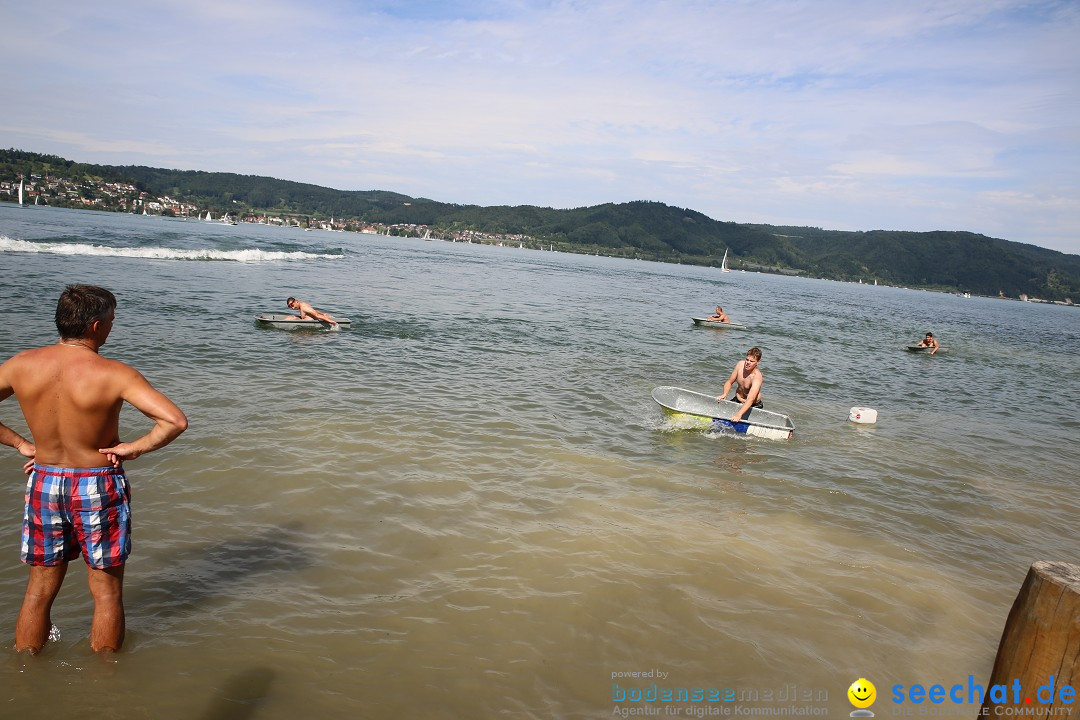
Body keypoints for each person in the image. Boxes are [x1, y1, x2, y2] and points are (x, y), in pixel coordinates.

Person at [0, 285, 188, 654]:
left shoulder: (21, 364)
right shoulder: (114, 373)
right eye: (113, 321)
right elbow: (174, 421)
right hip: (97, 484)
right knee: (106, 593)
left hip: (45, 480)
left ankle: (27, 672)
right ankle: (105, 687)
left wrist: (22, 444)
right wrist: (132, 448)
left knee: (38, 590)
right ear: (97, 326)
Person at [717, 346, 764, 423]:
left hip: (753, 404)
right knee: (723, 414)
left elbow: (750, 399)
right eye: (747, 359)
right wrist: (724, 394)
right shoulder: (740, 365)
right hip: (738, 398)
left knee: (738, 419)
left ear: (758, 362)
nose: (748, 363)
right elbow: (729, 382)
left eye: (752, 361)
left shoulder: (757, 377)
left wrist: (738, 415)